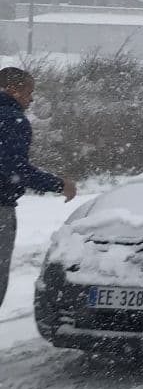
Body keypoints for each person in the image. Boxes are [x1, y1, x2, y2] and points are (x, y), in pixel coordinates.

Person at [1, 67, 76, 311]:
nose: (31, 99)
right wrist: (60, 185)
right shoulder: (12, 119)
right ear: (13, 89)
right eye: (28, 92)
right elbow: (14, 169)